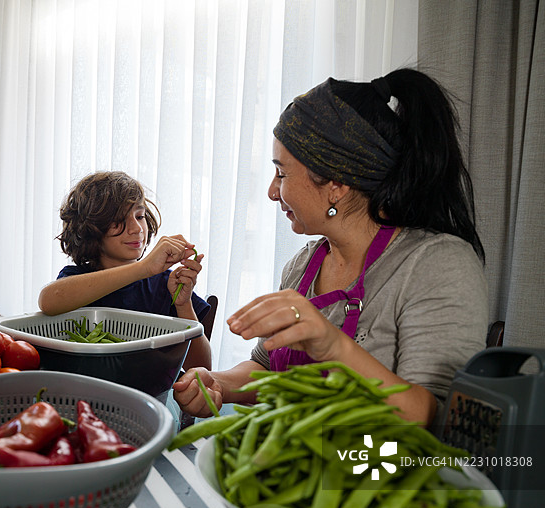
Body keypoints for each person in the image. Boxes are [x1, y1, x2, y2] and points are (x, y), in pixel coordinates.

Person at [173, 68, 488, 427]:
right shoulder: (302, 267)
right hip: (294, 469)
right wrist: (220, 384)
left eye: (282, 173)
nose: (272, 191)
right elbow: (265, 365)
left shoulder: (438, 265)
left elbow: (438, 419)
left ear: (336, 183)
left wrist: (332, 345)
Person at [39, 171, 212, 370]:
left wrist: (184, 304)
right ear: (91, 228)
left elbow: (203, 368)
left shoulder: (167, 285)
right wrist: (143, 268)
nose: (137, 228)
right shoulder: (77, 279)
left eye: (140, 216)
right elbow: (48, 300)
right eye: (119, 220)